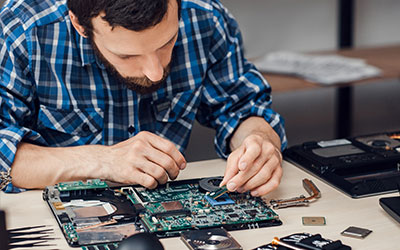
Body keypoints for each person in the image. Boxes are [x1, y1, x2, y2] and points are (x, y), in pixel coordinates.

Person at [0, 0, 286, 195]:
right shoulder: (24, 31)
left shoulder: (205, 16)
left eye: (167, 42)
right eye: (127, 55)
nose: (155, 72)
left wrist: (260, 142)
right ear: (79, 24)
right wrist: (103, 160)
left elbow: (241, 108)